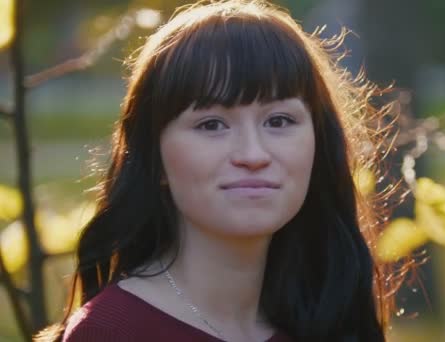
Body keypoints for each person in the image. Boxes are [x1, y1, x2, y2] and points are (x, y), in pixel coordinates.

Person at [35, 0, 406, 341]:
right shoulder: (113, 331)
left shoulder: (330, 319)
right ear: (154, 159)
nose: (252, 154)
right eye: (211, 125)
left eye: (278, 120)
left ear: (318, 145)